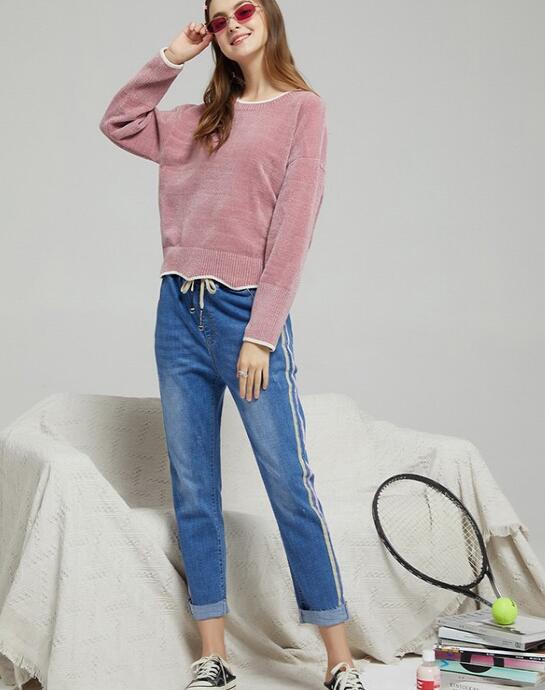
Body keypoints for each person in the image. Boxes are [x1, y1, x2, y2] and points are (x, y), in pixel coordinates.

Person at [99, 1, 367, 688]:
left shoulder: (303, 111)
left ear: (269, 15)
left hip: (247, 315)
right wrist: (173, 56)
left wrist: (261, 335)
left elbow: (293, 229)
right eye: (218, 18)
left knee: (289, 487)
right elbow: (119, 121)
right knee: (194, 489)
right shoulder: (197, 119)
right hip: (177, 314)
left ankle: (339, 660)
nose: (233, 23)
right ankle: (213, 656)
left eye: (244, 8)